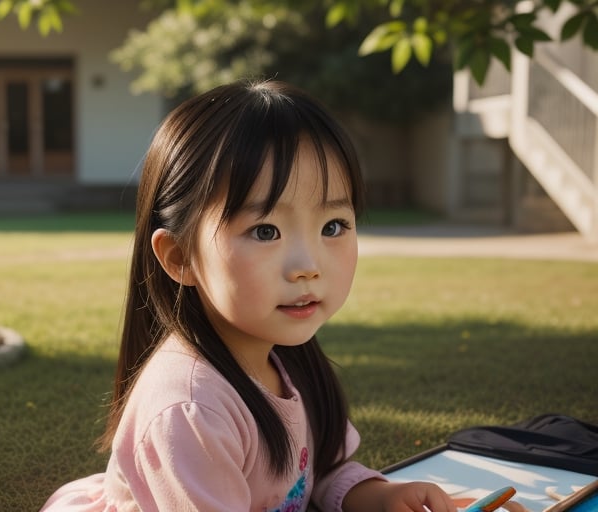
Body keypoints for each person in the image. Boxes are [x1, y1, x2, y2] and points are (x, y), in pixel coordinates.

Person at [40, 80, 457, 512]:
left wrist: (382, 496)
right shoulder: (189, 410)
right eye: (265, 231)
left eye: (333, 226)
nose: (307, 265)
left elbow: (320, 472)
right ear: (181, 257)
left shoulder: (286, 358)